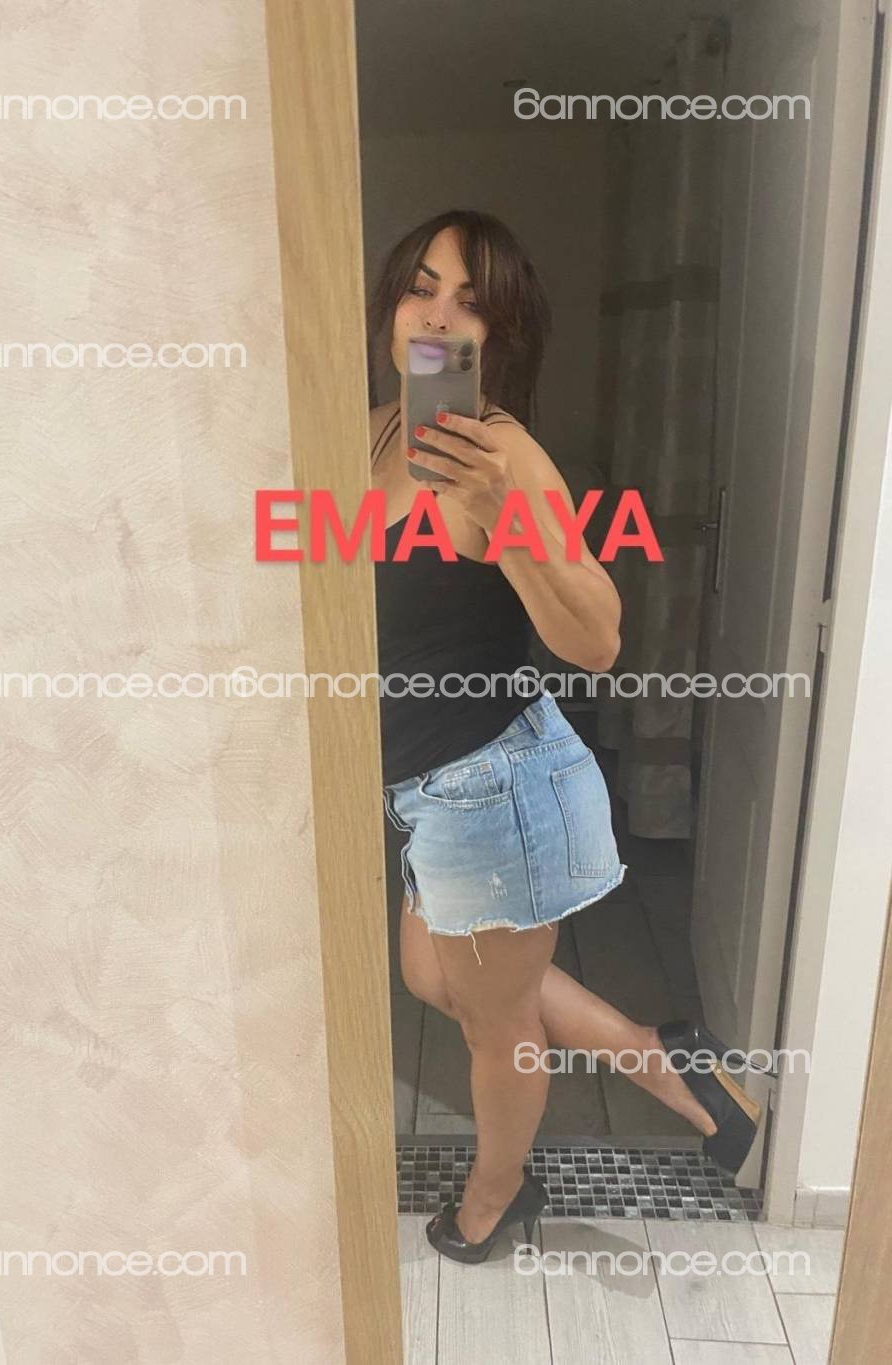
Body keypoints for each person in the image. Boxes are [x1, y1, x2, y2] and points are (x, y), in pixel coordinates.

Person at [370, 210, 763, 1264]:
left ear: (500, 335)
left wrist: (501, 515)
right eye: (420, 287)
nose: (436, 316)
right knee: (434, 973)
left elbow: (596, 638)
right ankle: (663, 1058)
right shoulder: (374, 432)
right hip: (428, 786)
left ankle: (497, 1199)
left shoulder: (503, 454)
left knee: (493, 1026)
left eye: (469, 302)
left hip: (495, 786)